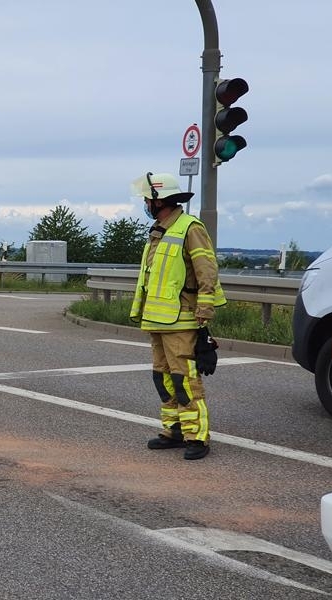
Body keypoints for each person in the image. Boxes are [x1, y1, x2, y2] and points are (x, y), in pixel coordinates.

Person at [129, 172, 226, 460]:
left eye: (148, 199)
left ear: (160, 200)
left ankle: (197, 436)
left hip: (181, 320)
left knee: (185, 380)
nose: (146, 203)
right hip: (158, 319)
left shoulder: (189, 228)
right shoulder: (160, 230)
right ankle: (174, 430)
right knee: (163, 379)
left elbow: (206, 272)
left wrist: (204, 314)